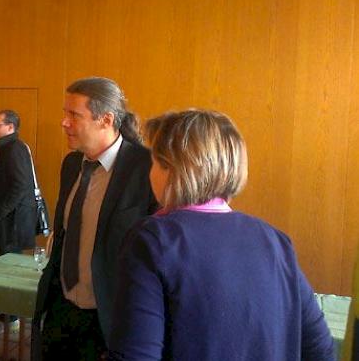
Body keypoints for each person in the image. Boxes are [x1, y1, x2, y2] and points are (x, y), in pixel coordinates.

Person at [108, 109, 335, 361]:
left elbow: (136, 355)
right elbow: (320, 348)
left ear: (171, 169)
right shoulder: (274, 240)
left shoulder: (152, 240)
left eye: (154, 162)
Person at [32, 77, 157, 360]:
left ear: (106, 119)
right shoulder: (71, 164)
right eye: (65, 113)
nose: (64, 122)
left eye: (74, 114)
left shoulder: (146, 168)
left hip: (108, 321)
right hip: (61, 312)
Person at [0, 109, 37, 334]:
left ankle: (11, 318)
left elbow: (20, 186)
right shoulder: (9, 148)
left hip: (13, 221)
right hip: (11, 219)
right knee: (7, 266)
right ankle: (7, 314)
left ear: (10, 127)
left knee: (9, 270)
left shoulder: (13, 149)